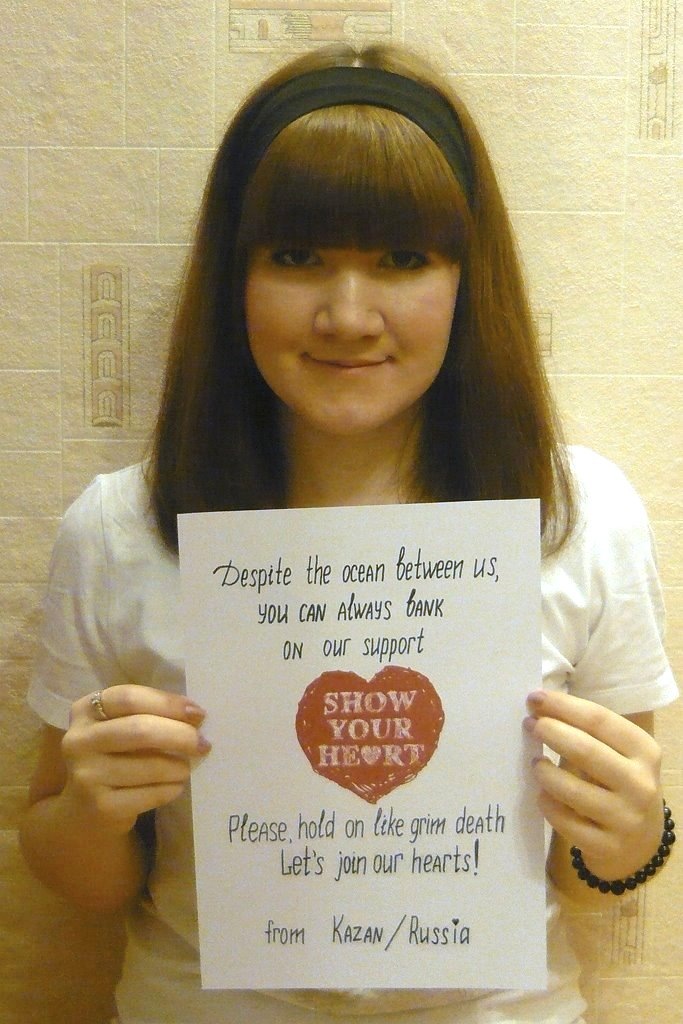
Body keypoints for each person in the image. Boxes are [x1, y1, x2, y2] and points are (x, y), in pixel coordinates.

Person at [20, 41, 677, 1024]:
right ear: (234, 276)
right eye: (295, 258)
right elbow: (84, 880)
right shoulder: (120, 529)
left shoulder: (576, 516)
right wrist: (88, 810)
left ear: (466, 280)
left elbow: (590, 881)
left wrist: (628, 836)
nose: (346, 315)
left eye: (402, 260)